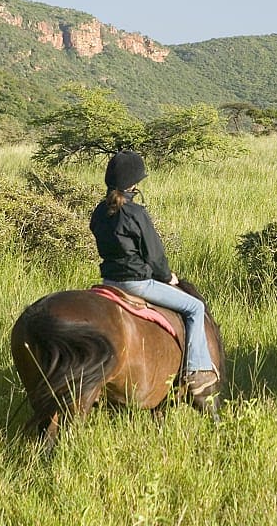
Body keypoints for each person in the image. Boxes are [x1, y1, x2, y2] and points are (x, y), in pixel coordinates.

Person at [89, 150, 219, 396]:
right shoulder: (136, 213)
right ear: (134, 184)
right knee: (194, 308)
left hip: (108, 282)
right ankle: (196, 370)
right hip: (137, 283)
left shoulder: (98, 212)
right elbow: (154, 255)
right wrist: (167, 276)